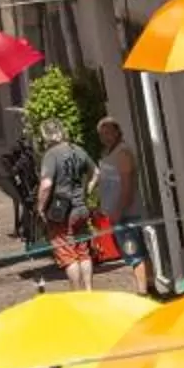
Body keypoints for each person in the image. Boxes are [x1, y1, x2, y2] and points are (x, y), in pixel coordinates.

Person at [94, 116, 155, 295]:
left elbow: (127, 186)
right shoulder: (110, 152)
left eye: (108, 132)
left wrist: (119, 211)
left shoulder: (122, 153)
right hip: (118, 212)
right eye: (102, 134)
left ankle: (142, 291)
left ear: (117, 132)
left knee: (134, 253)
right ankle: (149, 286)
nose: (105, 137)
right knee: (136, 252)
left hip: (126, 214)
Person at [36, 126, 99, 287]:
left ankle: (77, 295)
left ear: (47, 137)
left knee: (68, 254)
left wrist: (40, 207)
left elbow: (46, 184)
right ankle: (89, 292)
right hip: (81, 208)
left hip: (61, 212)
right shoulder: (78, 150)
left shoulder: (51, 155)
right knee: (83, 252)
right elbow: (96, 173)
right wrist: (87, 191)